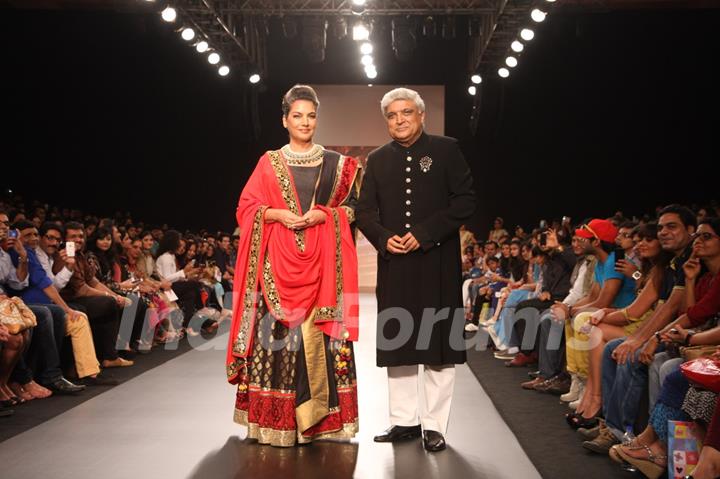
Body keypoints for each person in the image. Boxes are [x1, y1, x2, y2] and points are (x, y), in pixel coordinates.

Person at [226, 85, 361, 447]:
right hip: (276, 268)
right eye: (297, 115)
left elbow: (353, 210)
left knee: (320, 342)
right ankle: (279, 423)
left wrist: (326, 215)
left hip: (322, 269)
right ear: (285, 120)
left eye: (311, 115)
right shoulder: (268, 162)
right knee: (279, 345)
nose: (305, 122)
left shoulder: (338, 165)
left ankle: (319, 422)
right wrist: (275, 214)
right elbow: (246, 208)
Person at [356, 87, 475, 452]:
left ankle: (435, 426)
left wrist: (424, 234)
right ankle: (404, 421)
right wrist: (383, 237)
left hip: (437, 263)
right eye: (392, 115)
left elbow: (466, 201)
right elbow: (364, 211)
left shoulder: (446, 149)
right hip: (396, 265)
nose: (399, 120)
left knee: (438, 345)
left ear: (421, 114)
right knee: (399, 343)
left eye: (406, 112)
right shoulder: (376, 160)